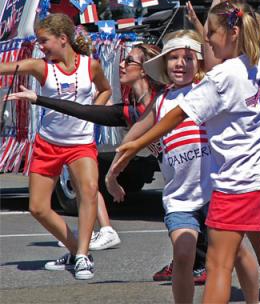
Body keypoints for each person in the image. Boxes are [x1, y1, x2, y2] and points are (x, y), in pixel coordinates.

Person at [7, 42, 208, 282]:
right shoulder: (134, 109)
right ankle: (187, 261)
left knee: (208, 223)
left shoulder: (170, 96)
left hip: (205, 171)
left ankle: (200, 264)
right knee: (181, 217)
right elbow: (87, 112)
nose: (121, 65)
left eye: (129, 61)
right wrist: (38, 99)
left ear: (144, 69)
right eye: (122, 60)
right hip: (176, 173)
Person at [107, 30, 260, 304]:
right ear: (164, 65)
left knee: (236, 254)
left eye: (188, 58)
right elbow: (131, 140)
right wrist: (111, 175)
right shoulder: (161, 101)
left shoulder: (210, 89)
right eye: (173, 58)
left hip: (216, 193)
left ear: (200, 62)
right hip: (180, 198)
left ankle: (254, 300)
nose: (180, 63)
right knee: (183, 255)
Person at [0, 13, 112, 280]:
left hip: (81, 144)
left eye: (44, 41)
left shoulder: (91, 66)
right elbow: (8, 67)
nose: (41, 46)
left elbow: (105, 89)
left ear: (63, 39)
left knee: (89, 191)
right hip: (48, 143)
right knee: (38, 207)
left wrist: (92, 111)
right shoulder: (42, 67)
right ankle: (76, 251)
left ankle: (83, 256)